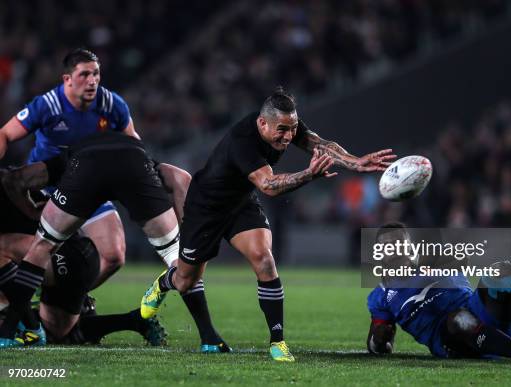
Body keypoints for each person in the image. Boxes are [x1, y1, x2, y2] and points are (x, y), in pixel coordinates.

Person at [141, 87, 396, 361]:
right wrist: (309, 175)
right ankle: (162, 284)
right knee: (184, 280)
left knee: (264, 260)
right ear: (262, 123)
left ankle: (277, 342)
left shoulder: (286, 124)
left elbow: (320, 144)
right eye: (282, 130)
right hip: (206, 207)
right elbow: (269, 185)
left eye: (292, 129)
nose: (288, 137)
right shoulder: (243, 140)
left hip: (241, 203)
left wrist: (355, 163)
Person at [0, 131, 183, 347]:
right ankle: (133, 320)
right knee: (59, 335)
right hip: (77, 259)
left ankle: (26, 326)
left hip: (62, 257)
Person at [366, 224, 511, 365]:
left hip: (483, 313)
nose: (397, 249)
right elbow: (379, 344)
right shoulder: (381, 294)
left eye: (400, 243)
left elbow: (461, 258)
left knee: (500, 270)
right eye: (390, 246)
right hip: (451, 340)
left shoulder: (434, 257)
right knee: (457, 318)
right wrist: (379, 337)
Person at [0, 48, 139, 287]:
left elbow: (133, 142)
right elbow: (5, 134)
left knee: (114, 256)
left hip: (90, 188)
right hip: (49, 190)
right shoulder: (48, 105)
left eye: (96, 74)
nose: (92, 80)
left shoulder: (111, 104)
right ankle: (50, 303)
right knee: (43, 253)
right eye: (85, 74)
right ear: (67, 79)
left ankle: (73, 302)